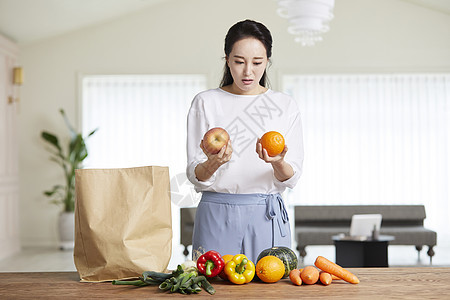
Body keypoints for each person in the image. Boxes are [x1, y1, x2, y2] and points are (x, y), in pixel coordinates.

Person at [186, 19, 304, 263]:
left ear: (267, 62)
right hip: (216, 214)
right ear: (227, 60)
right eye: (239, 62)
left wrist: (278, 162)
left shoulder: (285, 105)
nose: (248, 71)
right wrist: (213, 164)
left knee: (270, 291)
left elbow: (292, 176)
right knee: (213, 290)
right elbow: (194, 172)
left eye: (257, 62)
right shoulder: (206, 102)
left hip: (266, 216)